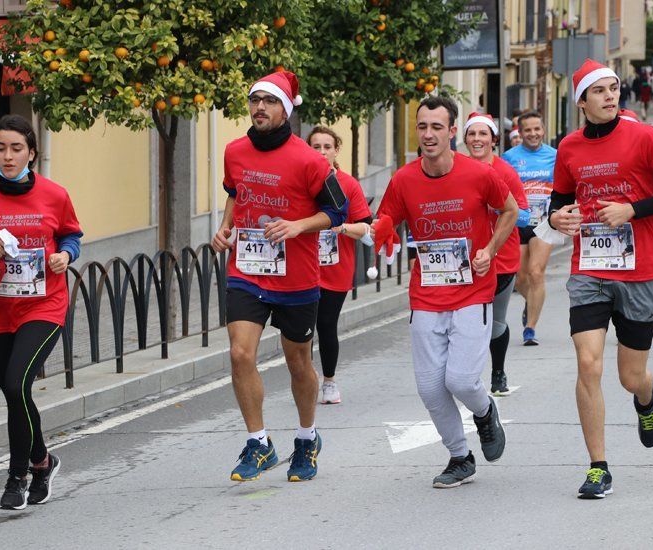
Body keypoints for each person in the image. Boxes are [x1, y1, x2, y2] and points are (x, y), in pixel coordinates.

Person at [548, 59, 653, 499]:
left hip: (641, 269)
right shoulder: (569, 148)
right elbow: (558, 202)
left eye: (614, 88)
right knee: (588, 363)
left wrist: (633, 209)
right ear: (582, 102)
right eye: (600, 91)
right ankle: (598, 467)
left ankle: (647, 398)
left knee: (630, 376)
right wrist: (557, 218)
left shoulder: (647, 138)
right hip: (589, 267)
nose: (611, 95)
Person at [211, 71, 348, 483]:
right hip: (248, 269)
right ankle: (259, 443)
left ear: (285, 109)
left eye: (269, 101)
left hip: (296, 277)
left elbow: (338, 212)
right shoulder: (234, 151)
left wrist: (298, 225)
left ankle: (306, 438)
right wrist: (224, 228)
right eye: (255, 100)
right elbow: (236, 193)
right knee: (239, 353)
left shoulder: (308, 159)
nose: (259, 108)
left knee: (298, 361)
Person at [377, 96, 518, 488]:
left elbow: (509, 210)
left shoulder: (478, 174)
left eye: (437, 127)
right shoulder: (404, 179)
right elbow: (387, 217)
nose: (428, 134)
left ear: (452, 131)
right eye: (422, 127)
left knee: (461, 381)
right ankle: (460, 457)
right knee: (429, 386)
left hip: (473, 292)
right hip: (426, 293)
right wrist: (381, 229)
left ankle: (485, 411)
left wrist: (489, 249)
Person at [0, 114, 82, 510]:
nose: (8, 156)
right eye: (1, 147)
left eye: (16, 148)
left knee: (15, 383)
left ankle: (16, 477)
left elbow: (72, 234)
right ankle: (43, 461)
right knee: (15, 392)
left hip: (44, 303)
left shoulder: (54, 194)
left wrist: (64, 255)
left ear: (32, 153)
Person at [462, 112, 529, 395]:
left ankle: (498, 373)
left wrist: (497, 207)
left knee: (494, 321)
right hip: (465, 258)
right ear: (464, 139)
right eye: (472, 134)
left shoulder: (504, 172)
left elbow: (524, 215)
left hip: (501, 258)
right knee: (467, 321)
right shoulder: (456, 169)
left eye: (483, 134)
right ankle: (466, 377)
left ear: (493, 140)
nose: (477, 139)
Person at [306, 126, 373, 404]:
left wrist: (342, 227)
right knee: (301, 329)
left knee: (325, 323)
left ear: (336, 151)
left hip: (336, 268)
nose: (321, 152)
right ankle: (305, 380)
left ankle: (329, 382)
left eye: (327, 146)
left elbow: (367, 229)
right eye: (315, 146)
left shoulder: (348, 184)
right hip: (303, 267)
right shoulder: (300, 182)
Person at [503, 112, 558, 346]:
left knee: (536, 272)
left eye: (537, 129)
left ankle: (530, 328)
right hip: (519, 223)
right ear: (520, 133)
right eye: (528, 130)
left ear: (543, 130)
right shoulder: (509, 158)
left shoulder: (555, 156)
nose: (533, 134)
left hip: (544, 223)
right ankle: (531, 301)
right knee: (519, 277)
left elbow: (563, 187)